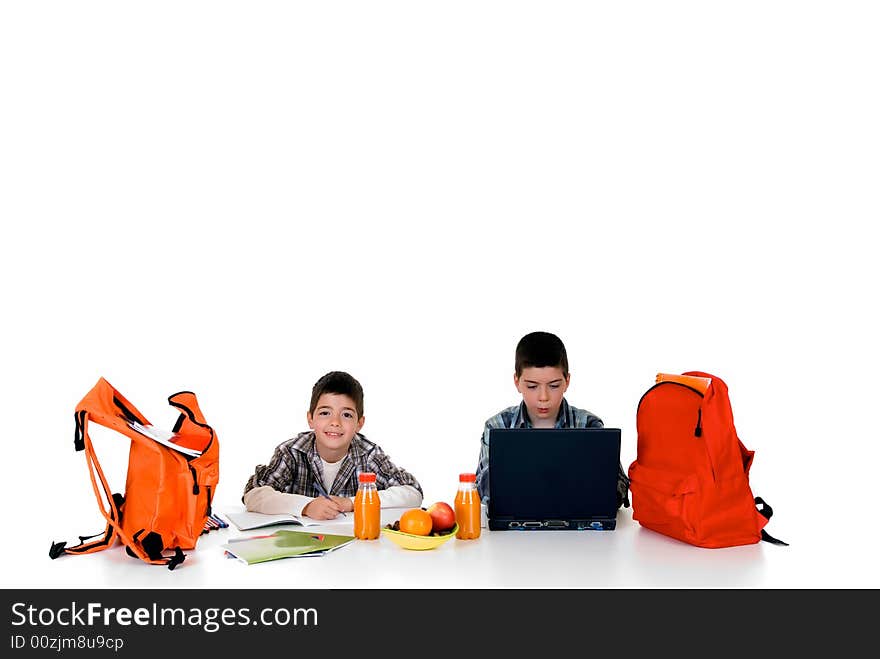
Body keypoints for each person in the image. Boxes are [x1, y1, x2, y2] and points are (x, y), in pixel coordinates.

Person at [475, 331, 630, 509]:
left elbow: (618, 487)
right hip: (514, 527)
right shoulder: (497, 426)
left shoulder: (589, 425)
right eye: (532, 386)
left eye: (554, 386)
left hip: (578, 525)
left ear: (567, 381)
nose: (543, 397)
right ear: (517, 382)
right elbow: (483, 491)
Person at [243, 371, 423, 520]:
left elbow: (412, 492)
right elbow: (253, 494)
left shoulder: (368, 454)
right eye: (325, 413)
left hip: (354, 549)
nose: (335, 422)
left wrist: (354, 502)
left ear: (359, 424)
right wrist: (306, 506)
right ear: (310, 419)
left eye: (346, 415)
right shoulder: (292, 452)